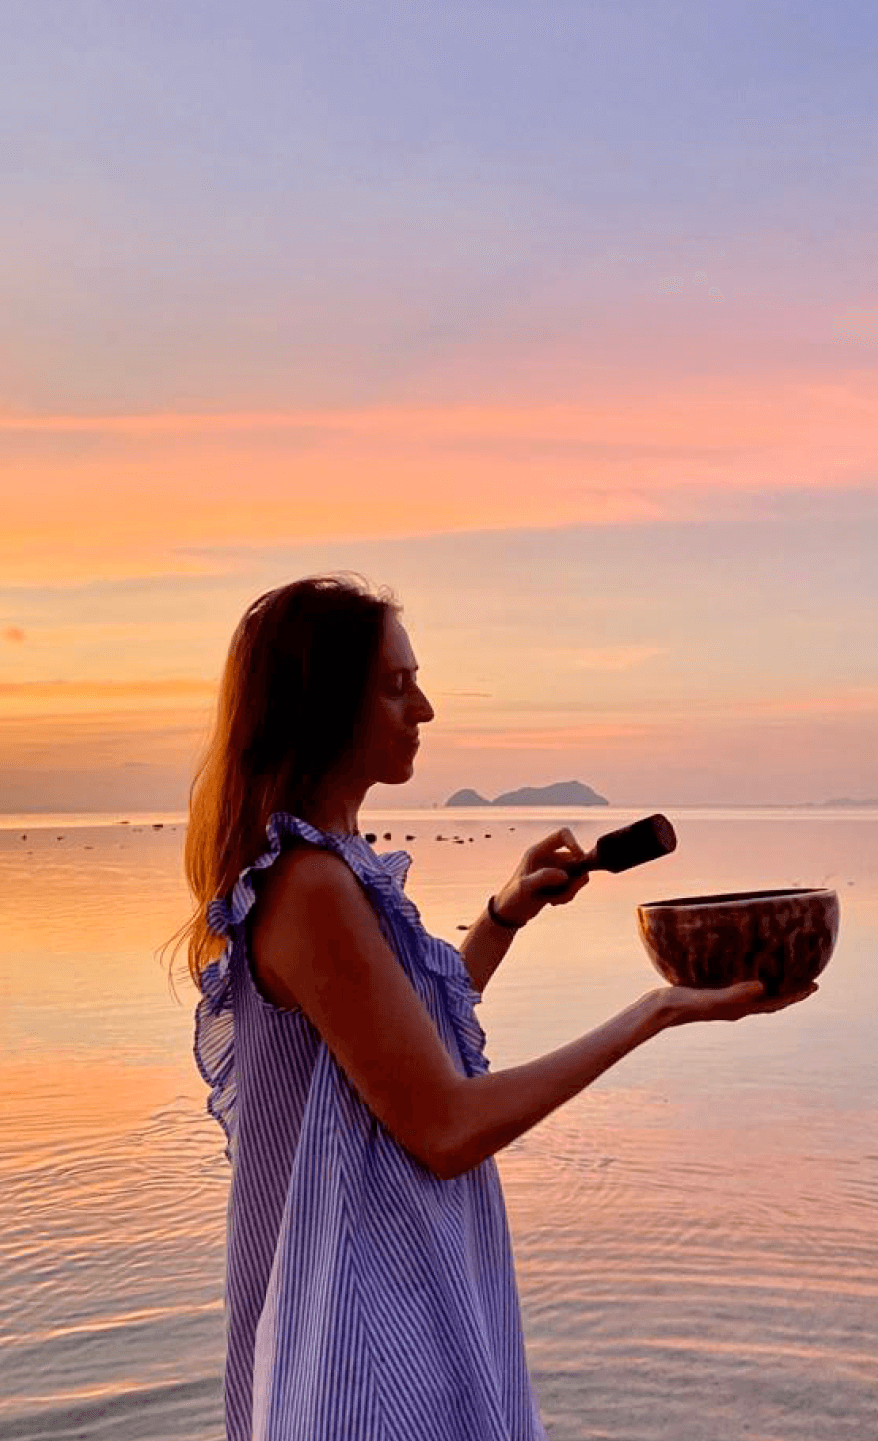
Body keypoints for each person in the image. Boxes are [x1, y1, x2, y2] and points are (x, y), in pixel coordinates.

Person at [165, 574, 817, 1440]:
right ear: (326, 706)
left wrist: (505, 916)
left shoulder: (331, 867)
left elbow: (394, 1048)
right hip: (372, 1322)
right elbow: (443, 1129)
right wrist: (655, 1011)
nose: (424, 708)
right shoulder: (310, 887)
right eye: (396, 686)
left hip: (407, 1280)